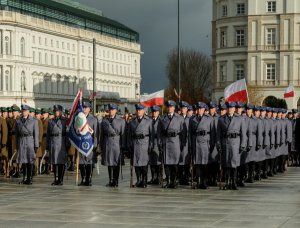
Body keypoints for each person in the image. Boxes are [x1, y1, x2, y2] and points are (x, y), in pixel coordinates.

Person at [217, 102, 247, 190]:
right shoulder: (221, 119)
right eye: (229, 107)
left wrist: (243, 144)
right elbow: (218, 134)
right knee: (226, 163)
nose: (230, 109)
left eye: (232, 107)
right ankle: (227, 182)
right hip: (225, 142)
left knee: (234, 163)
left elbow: (243, 134)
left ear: (234, 109)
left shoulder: (240, 119)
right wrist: (218, 144)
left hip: (235, 142)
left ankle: (233, 182)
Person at [158, 100, 187, 189]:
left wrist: (182, 143)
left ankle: (174, 181)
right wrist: (160, 143)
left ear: (174, 108)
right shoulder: (162, 118)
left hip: (176, 142)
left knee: (174, 164)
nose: (170, 108)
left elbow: (183, 132)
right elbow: (159, 132)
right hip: (166, 142)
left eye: (171, 107)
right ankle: (169, 180)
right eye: (168, 107)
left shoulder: (180, 118)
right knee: (167, 163)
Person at [189, 102, 215, 189]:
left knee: (204, 163)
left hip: (205, 143)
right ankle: (198, 181)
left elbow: (213, 133)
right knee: (197, 163)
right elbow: (190, 133)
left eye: (201, 109)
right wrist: (190, 144)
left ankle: (204, 181)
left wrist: (211, 144)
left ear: (204, 110)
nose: (199, 110)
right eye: (198, 109)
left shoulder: (209, 119)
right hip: (196, 142)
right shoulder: (192, 119)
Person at [100, 104, 125, 187]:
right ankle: (111, 180)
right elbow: (102, 134)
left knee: (116, 163)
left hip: (117, 143)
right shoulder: (104, 120)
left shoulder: (121, 121)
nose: (111, 111)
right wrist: (101, 145)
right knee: (109, 162)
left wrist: (123, 145)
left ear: (116, 110)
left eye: (113, 109)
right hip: (107, 142)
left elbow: (123, 134)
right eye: (110, 109)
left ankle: (116, 180)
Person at [129, 104, 153, 188]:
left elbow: (151, 134)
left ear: (143, 111)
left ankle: (144, 180)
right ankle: (138, 180)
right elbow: (130, 134)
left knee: (144, 164)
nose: (138, 111)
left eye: (140, 110)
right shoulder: (132, 121)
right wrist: (130, 144)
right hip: (136, 143)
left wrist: (151, 145)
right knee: (136, 163)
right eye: (137, 110)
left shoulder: (149, 121)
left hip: (144, 143)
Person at [15, 105, 39, 185]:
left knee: (30, 160)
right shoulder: (18, 121)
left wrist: (36, 145)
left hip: (29, 141)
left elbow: (36, 134)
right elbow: (17, 134)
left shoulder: (34, 121)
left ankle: (30, 178)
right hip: (21, 140)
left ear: (28, 111)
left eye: (25, 111)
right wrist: (17, 144)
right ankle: (24, 178)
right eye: (23, 111)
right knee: (23, 161)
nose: (24, 112)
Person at [47, 105, 69, 186]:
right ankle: (56, 179)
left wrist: (67, 144)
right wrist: (47, 144)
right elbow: (48, 134)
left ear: (61, 112)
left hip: (61, 141)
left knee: (61, 162)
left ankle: (60, 179)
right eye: (55, 111)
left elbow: (67, 133)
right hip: (53, 141)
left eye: (58, 111)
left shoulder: (65, 120)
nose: (56, 112)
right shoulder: (51, 121)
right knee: (54, 162)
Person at [78, 102, 98, 186]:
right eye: (84, 107)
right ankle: (83, 179)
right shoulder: (79, 118)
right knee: (82, 162)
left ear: (89, 109)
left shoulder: (93, 119)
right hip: (81, 142)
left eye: (86, 107)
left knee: (89, 161)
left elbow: (96, 133)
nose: (84, 109)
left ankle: (88, 179)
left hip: (89, 143)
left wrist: (95, 144)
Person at [148, 106, 161, 185]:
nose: (154, 113)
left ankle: (158, 177)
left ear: (158, 112)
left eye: (155, 112)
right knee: (152, 161)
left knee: (158, 161)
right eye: (153, 112)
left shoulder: (161, 121)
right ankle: (153, 177)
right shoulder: (149, 121)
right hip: (150, 142)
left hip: (157, 142)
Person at [178, 101, 191, 185]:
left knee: (186, 161)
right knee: (179, 161)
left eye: (184, 108)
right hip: (178, 142)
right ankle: (180, 178)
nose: (183, 110)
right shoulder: (177, 118)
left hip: (187, 142)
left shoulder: (191, 119)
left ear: (187, 109)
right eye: (182, 108)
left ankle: (186, 178)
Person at [0, 107, 8, 177]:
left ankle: (6, 170)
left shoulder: (2, 120)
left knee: (4, 155)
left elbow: (4, 132)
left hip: (1, 141)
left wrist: (3, 142)